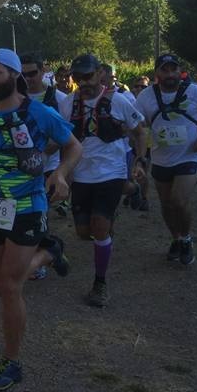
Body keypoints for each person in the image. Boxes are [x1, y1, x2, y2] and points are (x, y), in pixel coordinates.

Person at [0, 49, 80, 392]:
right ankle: (49, 252)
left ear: (14, 75)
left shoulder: (39, 113)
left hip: (28, 204)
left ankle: (11, 363)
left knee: (11, 286)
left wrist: (60, 173)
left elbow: (74, 146)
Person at [61, 54, 146, 307]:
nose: (83, 82)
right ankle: (126, 196)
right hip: (82, 174)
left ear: (100, 73)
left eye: (87, 76)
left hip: (111, 172)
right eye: (78, 77)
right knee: (82, 232)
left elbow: (140, 132)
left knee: (99, 227)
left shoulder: (118, 100)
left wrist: (140, 161)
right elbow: (61, 138)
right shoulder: (67, 104)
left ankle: (100, 283)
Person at [135, 54, 197, 266]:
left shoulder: (196, 92)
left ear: (180, 71)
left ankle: (186, 239)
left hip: (189, 155)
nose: (169, 74)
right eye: (164, 70)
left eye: (173, 69)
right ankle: (176, 238)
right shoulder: (146, 96)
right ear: (157, 73)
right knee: (166, 204)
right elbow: (136, 124)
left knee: (178, 201)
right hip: (160, 158)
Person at [20, 52, 69, 278]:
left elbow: (68, 135)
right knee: (26, 215)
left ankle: (40, 257)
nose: (28, 78)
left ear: (43, 71)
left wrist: (50, 147)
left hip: (49, 166)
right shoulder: (15, 97)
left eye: (32, 73)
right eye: (23, 74)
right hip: (21, 168)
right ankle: (50, 250)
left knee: (39, 213)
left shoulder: (60, 98)